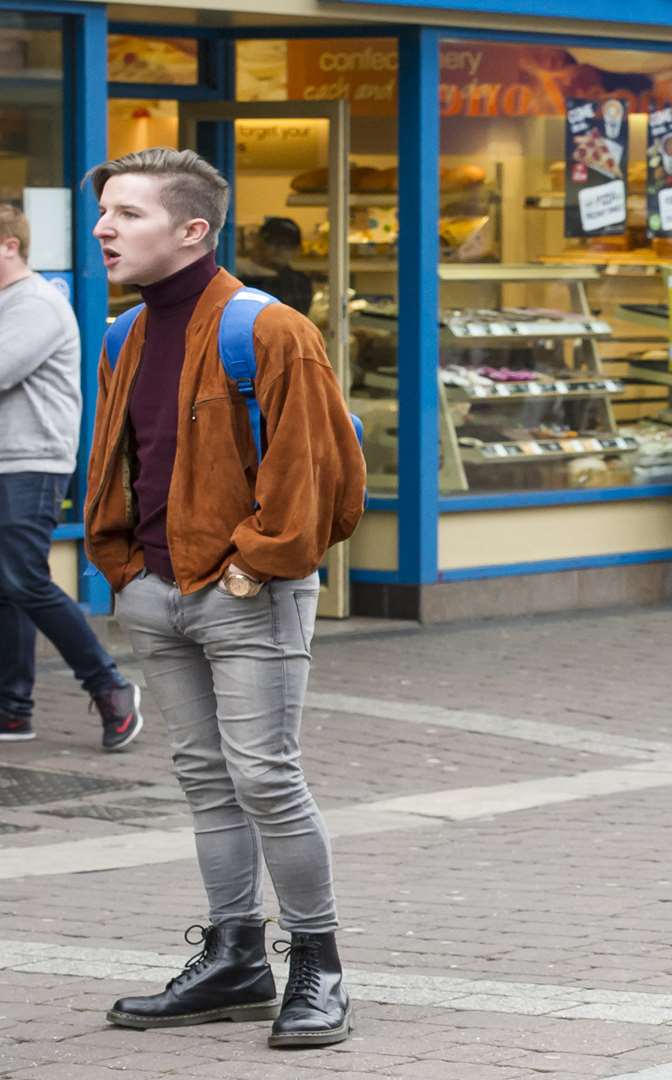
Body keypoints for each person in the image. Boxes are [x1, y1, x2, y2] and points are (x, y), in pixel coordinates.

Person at [83, 148, 366, 1048]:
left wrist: (253, 565)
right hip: (156, 591)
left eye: (127, 213)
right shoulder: (123, 335)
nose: (103, 229)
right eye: (105, 213)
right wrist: (125, 567)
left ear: (192, 229)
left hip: (250, 592)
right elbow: (121, 460)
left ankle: (318, 969)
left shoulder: (270, 328)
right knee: (205, 780)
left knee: (266, 779)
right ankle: (236, 957)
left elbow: (321, 473)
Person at [0, 204, 144, 750]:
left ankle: (111, 686)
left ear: (10, 245)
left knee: (22, 580)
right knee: (6, 587)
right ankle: (13, 710)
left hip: (30, 460)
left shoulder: (36, 303)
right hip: (8, 459)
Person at [236, 217, 315, 321]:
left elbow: (291, 317)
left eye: (287, 244)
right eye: (273, 242)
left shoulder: (299, 282)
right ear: (259, 242)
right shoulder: (239, 272)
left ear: (297, 250)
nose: (280, 248)